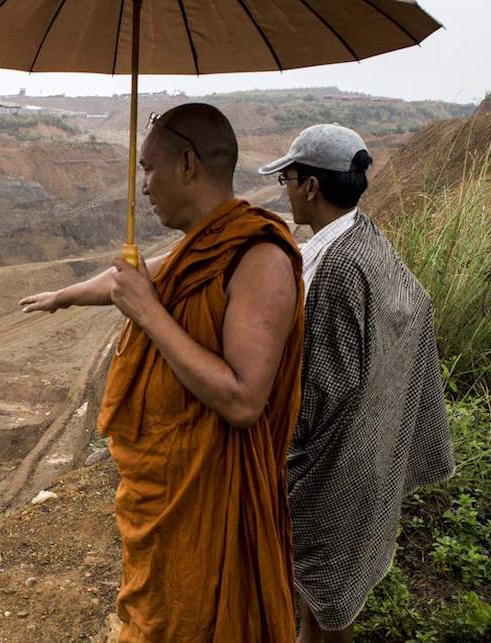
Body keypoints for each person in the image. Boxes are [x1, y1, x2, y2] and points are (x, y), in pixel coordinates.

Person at [21, 103, 304, 642]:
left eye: (149, 169)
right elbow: (121, 281)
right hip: (169, 502)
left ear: (189, 164)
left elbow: (245, 401)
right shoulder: (196, 250)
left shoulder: (258, 259)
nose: (144, 187)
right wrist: (64, 297)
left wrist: (147, 312)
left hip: (216, 506)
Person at [257, 124, 455, 643]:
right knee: (320, 599)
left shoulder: (338, 265)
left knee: (328, 609)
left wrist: (269, 434)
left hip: (336, 469)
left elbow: (322, 389)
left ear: (311, 187)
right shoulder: (360, 235)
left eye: (289, 180)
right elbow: (414, 308)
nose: (287, 191)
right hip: (364, 454)